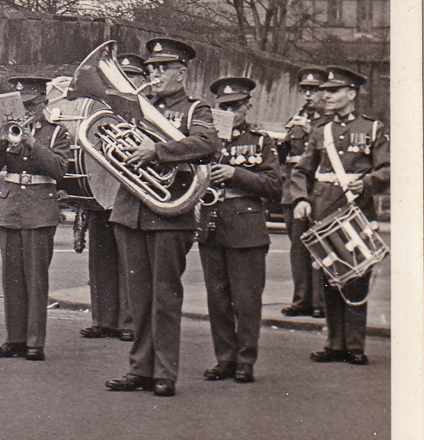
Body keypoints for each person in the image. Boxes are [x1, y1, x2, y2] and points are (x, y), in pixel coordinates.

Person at [104, 38, 221, 397]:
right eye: (151, 68)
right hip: (131, 212)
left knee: (165, 297)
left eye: (162, 68)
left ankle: (165, 373)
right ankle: (140, 368)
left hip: (170, 214)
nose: (153, 74)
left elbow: (208, 144)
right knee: (138, 298)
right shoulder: (138, 106)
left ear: (181, 72)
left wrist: (158, 150)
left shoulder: (194, 109)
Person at [289, 66, 389, 366]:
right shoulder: (321, 131)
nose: (327, 96)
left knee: (357, 276)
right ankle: (334, 343)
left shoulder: (373, 128)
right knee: (330, 276)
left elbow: (388, 168)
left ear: (352, 93)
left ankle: (355, 345)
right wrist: (301, 198)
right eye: (326, 92)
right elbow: (301, 170)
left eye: (333, 91)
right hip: (324, 210)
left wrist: (368, 182)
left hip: (357, 211)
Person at [198, 77, 282, 384]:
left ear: (248, 106)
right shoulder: (206, 141)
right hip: (212, 224)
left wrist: (236, 174)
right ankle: (225, 358)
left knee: (246, 301)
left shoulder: (261, 141)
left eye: (236, 106)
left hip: (246, 228)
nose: (230, 112)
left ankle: (246, 360)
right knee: (217, 299)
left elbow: (274, 187)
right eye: (224, 107)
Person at [0, 77, 72, 361]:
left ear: (44, 103)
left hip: (38, 209)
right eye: (22, 107)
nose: (27, 112)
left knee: (35, 279)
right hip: (10, 209)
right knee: (11, 278)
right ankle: (15, 338)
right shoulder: (8, 131)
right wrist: (1, 142)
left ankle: (35, 342)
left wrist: (34, 144)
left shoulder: (57, 133)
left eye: (32, 105)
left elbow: (59, 170)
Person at [77, 52, 144, 343]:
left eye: (132, 77)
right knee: (100, 258)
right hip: (102, 192)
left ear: (143, 80)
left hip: (131, 193)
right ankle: (103, 319)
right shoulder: (101, 111)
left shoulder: (148, 114)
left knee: (129, 259)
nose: (125, 83)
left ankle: (129, 321)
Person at [278, 67, 328, 318]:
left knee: (318, 244)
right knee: (297, 247)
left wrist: (308, 131)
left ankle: (320, 302)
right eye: (305, 91)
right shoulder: (298, 117)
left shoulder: (327, 123)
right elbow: (286, 157)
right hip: (293, 191)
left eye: (314, 90)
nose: (309, 95)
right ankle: (302, 300)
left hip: (317, 191)